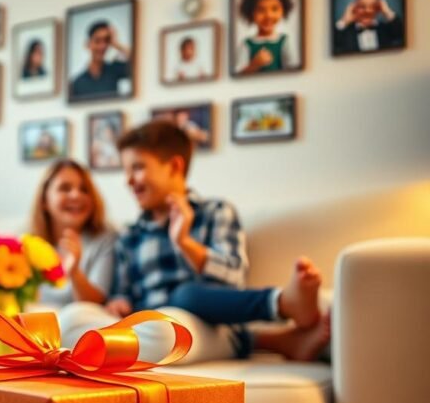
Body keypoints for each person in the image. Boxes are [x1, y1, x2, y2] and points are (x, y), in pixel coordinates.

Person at [59, 120, 330, 364]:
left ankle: (281, 303)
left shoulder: (216, 212)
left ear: (175, 166)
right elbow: (123, 292)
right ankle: (283, 339)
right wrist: (118, 302)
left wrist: (185, 242)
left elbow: (234, 277)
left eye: (138, 168)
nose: (128, 180)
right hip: (147, 323)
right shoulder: (129, 235)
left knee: (181, 302)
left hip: (204, 324)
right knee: (71, 318)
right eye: (126, 170)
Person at [29, 159, 118, 308]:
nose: (76, 195)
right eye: (65, 188)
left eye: (84, 189)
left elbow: (96, 303)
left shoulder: (105, 239)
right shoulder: (27, 241)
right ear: (44, 200)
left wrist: (75, 272)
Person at [235, 0, 298, 75]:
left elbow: (292, 70)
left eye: (274, 9)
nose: (268, 15)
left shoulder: (284, 40)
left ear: (283, 10)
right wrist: (254, 64)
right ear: (251, 13)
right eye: (261, 10)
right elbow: (239, 73)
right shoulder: (247, 44)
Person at [69, 21, 131, 99]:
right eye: (97, 41)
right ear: (87, 44)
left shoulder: (115, 69)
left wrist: (117, 44)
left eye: (106, 41)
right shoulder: (77, 83)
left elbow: (140, 64)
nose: (102, 46)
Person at [334, 0, 404, 54]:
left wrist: (387, 11)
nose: (367, 11)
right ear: (354, 8)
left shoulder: (386, 29)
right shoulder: (345, 32)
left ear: (379, 8)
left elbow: (402, 34)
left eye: (373, 6)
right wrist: (344, 21)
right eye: (362, 6)